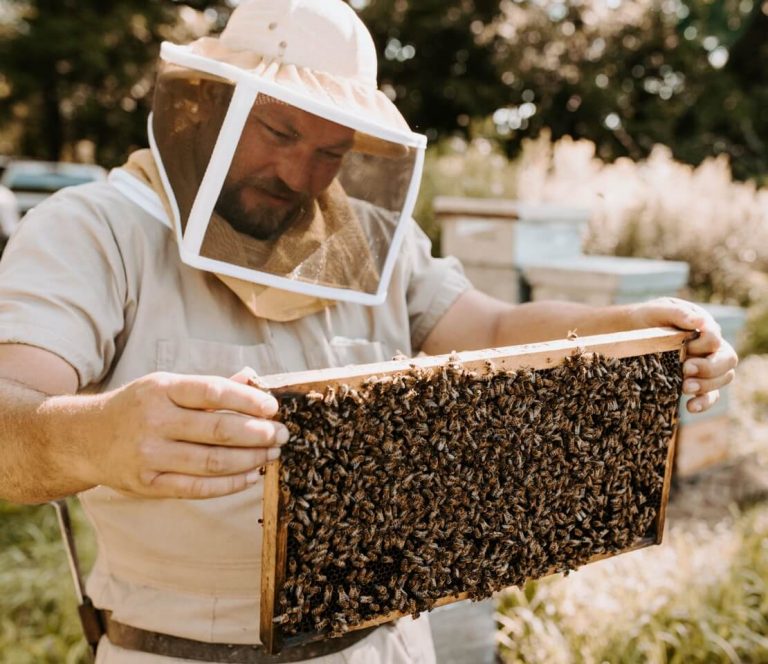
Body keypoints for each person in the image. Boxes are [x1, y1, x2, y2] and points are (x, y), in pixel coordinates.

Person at [0, 1, 736, 663]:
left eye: (331, 150)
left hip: (389, 645)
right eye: (278, 129)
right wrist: (95, 435)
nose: (299, 173)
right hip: (177, 650)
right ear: (212, 104)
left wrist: (627, 327)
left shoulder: (374, 241)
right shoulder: (96, 232)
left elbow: (495, 328)